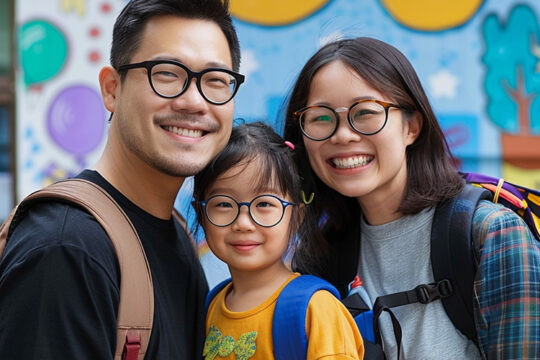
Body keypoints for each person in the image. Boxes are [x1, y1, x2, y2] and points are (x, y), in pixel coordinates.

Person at [0, 0, 243, 358]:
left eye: (216, 81)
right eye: (167, 74)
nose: (194, 101)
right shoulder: (67, 248)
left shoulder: (176, 237)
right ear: (112, 89)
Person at [283, 37, 540, 359]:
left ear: (412, 127)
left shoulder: (491, 234)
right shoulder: (318, 257)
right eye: (320, 117)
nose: (343, 134)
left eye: (365, 112)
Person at [192, 122, 365, 360]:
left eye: (264, 204)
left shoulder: (315, 309)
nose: (243, 222)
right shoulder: (212, 306)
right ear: (201, 215)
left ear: (296, 217)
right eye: (223, 204)